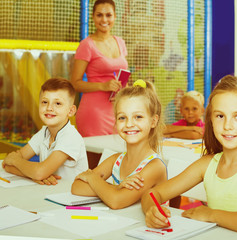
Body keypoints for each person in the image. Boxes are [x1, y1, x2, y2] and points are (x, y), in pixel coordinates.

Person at [141, 75, 237, 238]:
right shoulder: (207, 164)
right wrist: (151, 210)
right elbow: (151, 194)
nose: (228, 125)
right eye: (220, 116)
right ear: (211, 120)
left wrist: (211, 214)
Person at [71, 80, 167, 209]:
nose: (129, 124)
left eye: (138, 117)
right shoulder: (116, 160)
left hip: (144, 228)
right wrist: (116, 188)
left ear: (153, 121)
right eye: (122, 117)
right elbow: (77, 186)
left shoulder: (155, 167)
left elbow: (116, 201)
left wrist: (92, 178)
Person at [2, 78, 88, 185]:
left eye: (57, 103)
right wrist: (33, 175)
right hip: (49, 192)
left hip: (71, 195)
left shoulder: (70, 137)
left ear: (70, 111)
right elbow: (7, 165)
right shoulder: (44, 132)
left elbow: (38, 172)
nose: (49, 108)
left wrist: (15, 161)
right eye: (44, 102)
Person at [71, 0, 128, 137]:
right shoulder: (87, 45)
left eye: (108, 15)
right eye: (99, 15)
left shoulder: (120, 42)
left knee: (117, 156)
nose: (104, 19)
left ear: (115, 16)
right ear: (93, 17)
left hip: (118, 111)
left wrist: (122, 91)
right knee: (95, 157)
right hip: (94, 113)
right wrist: (103, 86)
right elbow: (74, 83)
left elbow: (123, 75)